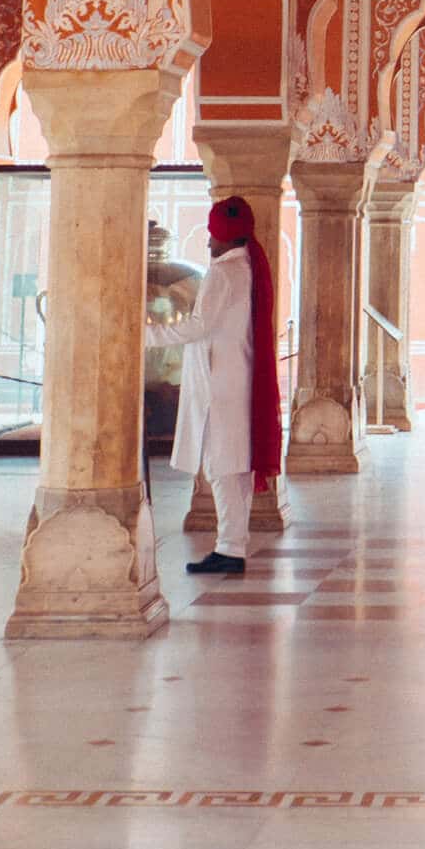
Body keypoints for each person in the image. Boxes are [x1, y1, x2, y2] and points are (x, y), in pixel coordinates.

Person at [148, 196, 283, 578]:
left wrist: (146, 335)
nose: (208, 243)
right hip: (234, 376)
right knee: (234, 465)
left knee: (223, 465)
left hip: (220, 384)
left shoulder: (223, 274)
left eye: (212, 235)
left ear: (224, 237)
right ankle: (232, 545)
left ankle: (229, 547)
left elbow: (198, 326)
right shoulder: (247, 268)